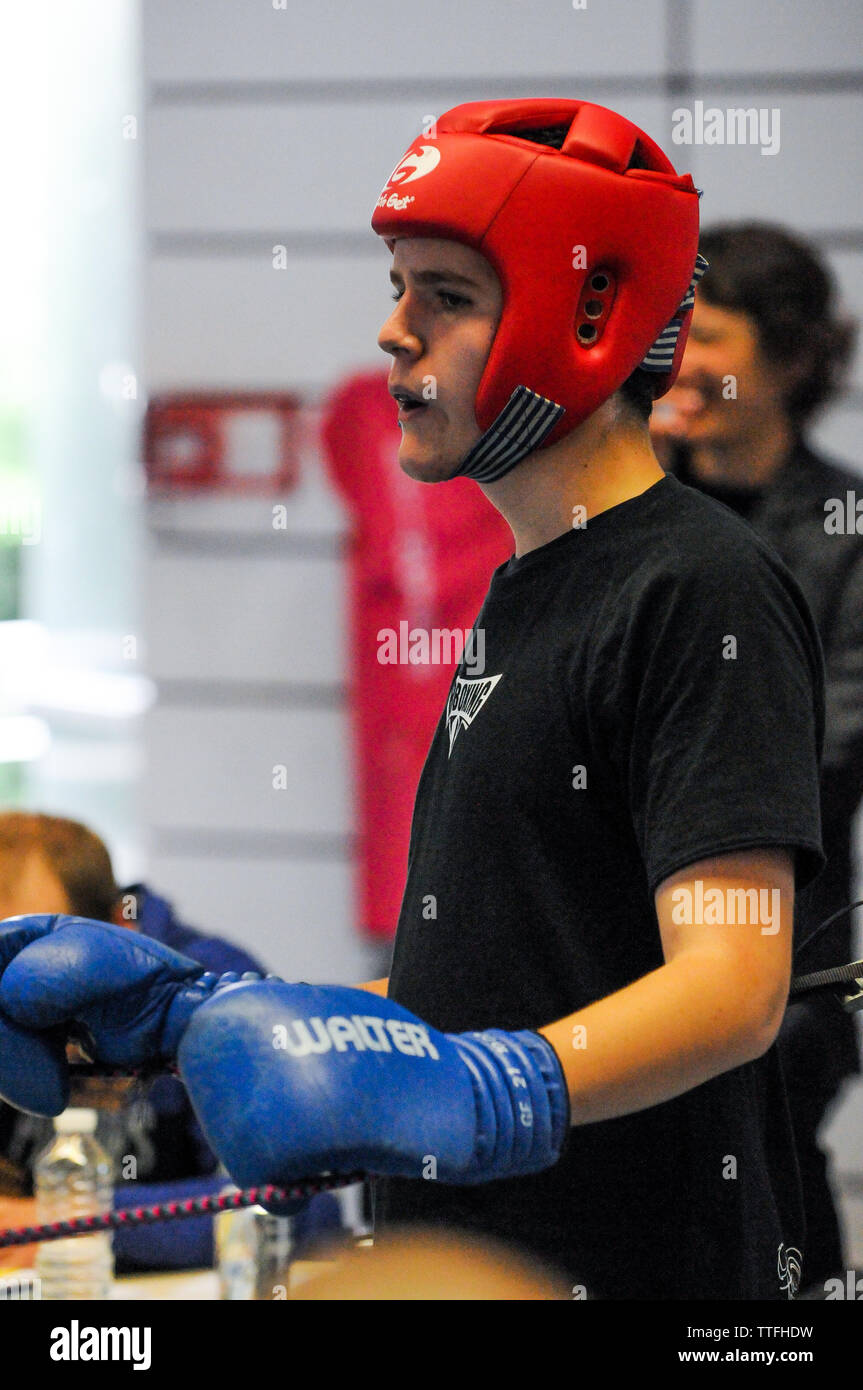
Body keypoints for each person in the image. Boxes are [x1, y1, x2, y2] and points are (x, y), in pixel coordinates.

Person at [0, 100, 826, 1300]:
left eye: (442, 293)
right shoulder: (526, 588)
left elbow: (734, 988)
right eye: (397, 287)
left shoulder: (699, 585)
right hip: (467, 1261)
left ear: (582, 318)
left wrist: (508, 1092)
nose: (392, 333)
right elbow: (486, 996)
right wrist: (200, 1015)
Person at [650, 222, 862, 1291]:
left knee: (768, 1159)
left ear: (787, 361)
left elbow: (831, 746)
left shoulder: (845, 528)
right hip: (627, 918)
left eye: (713, 335)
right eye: (673, 329)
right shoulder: (625, 505)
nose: (680, 358)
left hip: (789, 946)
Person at [0, 811, 341, 1272]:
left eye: (32, 969)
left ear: (119, 925)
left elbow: (307, 1209)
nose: (17, 1004)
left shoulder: (213, 988)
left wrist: (69, 1223)